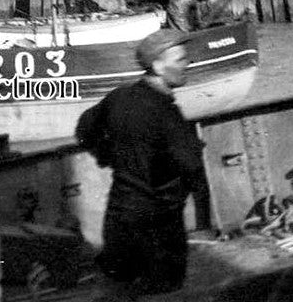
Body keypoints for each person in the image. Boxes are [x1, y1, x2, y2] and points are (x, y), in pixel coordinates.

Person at [75, 30, 208, 296]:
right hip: (159, 230)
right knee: (164, 291)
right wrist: (205, 223)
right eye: (181, 59)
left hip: (119, 222)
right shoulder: (166, 114)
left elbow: (84, 129)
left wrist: (106, 156)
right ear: (158, 66)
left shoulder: (118, 98)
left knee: (122, 287)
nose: (188, 63)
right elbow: (193, 170)